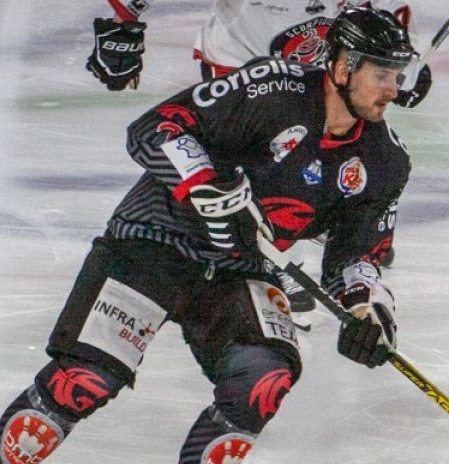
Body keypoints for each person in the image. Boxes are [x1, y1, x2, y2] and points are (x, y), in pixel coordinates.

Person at [0, 7, 412, 464]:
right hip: (156, 234)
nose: (396, 88)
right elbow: (156, 126)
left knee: (265, 378)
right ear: (341, 67)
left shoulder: (385, 161)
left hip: (239, 266)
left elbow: (360, 255)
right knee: (85, 380)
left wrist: (365, 310)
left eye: (397, 74)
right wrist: (202, 182)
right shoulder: (272, 88)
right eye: (383, 73)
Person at [86, 0, 430, 316]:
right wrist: (124, 20)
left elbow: (384, 15)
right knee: (247, 156)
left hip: (329, 66)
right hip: (243, 56)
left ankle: (305, 226)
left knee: (325, 151)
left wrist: (407, 62)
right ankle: (270, 259)